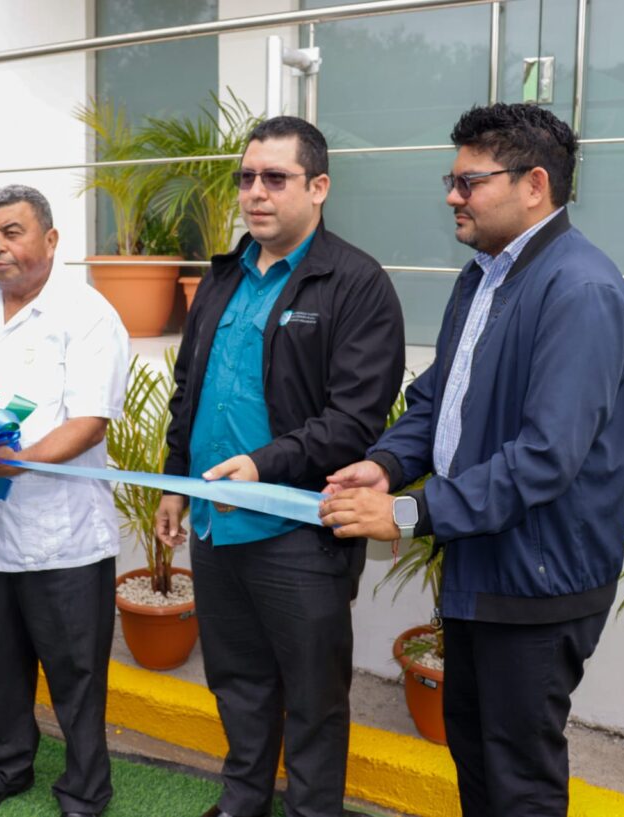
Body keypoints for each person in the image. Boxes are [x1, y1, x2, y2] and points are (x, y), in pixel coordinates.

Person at [320, 103, 624, 817]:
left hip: (537, 579)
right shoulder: (484, 277)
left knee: (517, 778)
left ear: (534, 185)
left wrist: (410, 510)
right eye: (452, 179)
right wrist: (386, 464)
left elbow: (544, 457)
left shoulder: (580, 290)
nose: (451, 196)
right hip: (483, 561)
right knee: (475, 750)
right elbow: (437, 401)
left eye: (469, 182)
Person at [156, 116, 405, 817]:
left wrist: (263, 466)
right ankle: (243, 800)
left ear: (319, 186)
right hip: (213, 520)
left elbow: (356, 419)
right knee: (235, 680)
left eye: (276, 178)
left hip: (299, 530)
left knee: (314, 696)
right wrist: (175, 478)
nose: (254, 193)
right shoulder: (223, 277)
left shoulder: (355, 284)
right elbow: (189, 387)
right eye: (246, 178)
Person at [0, 185, 128, 817]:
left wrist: (13, 462)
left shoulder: (89, 313)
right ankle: (4, 768)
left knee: (75, 674)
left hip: (62, 534)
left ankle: (84, 790)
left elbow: (89, 422)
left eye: (12, 232)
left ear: (51, 239)